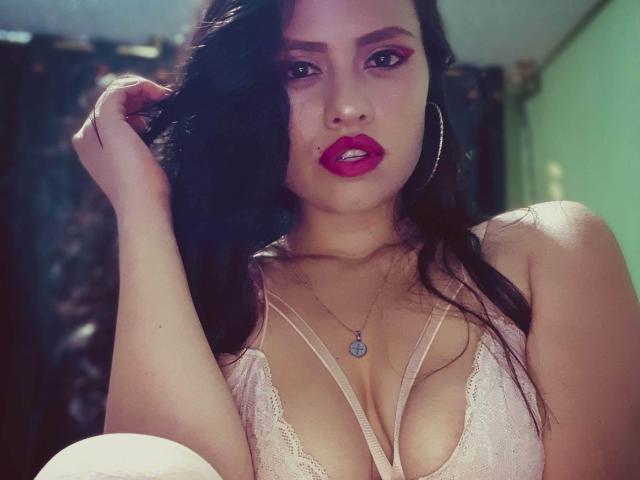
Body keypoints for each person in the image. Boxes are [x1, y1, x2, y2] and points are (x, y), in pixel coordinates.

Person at [37, 0, 640, 479]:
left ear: (430, 75)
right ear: (252, 97)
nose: (347, 107)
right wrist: (141, 206)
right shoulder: (215, 310)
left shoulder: (547, 251)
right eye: (299, 69)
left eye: (384, 58)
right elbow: (153, 465)